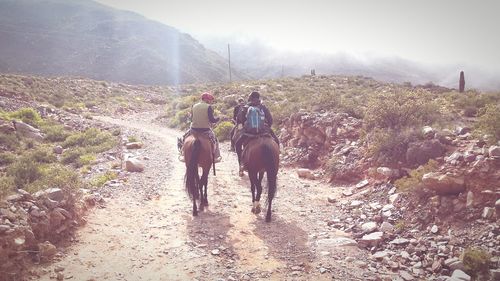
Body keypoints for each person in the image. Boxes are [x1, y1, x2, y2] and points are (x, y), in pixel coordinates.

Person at [234, 91, 279, 175]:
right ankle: (276, 162)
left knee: (237, 144)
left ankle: (241, 164)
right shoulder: (263, 107)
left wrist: (247, 127)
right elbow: (270, 120)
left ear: (250, 98)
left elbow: (241, 121)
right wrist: (265, 127)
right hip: (263, 131)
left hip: (249, 132)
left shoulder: (246, 107)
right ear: (259, 98)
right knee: (277, 142)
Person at [178, 92, 221, 163]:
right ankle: (216, 157)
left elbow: (191, 119)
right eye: (210, 100)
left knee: (185, 137)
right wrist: (218, 119)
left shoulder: (194, 106)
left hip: (194, 129)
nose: (211, 102)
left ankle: (183, 154)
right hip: (205, 130)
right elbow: (212, 120)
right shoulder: (208, 107)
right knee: (215, 139)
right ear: (206, 100)